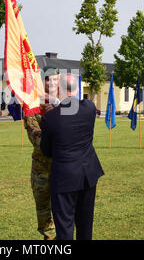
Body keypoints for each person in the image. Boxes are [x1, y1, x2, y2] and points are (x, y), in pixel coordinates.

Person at [40, 74, 104, 240]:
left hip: (65, 178)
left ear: (59, 89)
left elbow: (46, 150)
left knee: (65, 228)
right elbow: (75, 106)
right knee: (85, 227)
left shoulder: (50, 118)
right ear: (77, 89)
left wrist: (54, 107)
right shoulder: (89, 108)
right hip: (88, 175)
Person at [22, 66, 60, 240]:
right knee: (44, 208)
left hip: (63, 167)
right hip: (42, 168)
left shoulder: (65, 104)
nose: (51, 84)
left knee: (64, 208)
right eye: (48, 80)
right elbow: (36, 139)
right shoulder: (33, 106)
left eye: (55, 80)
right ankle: (48, 238)